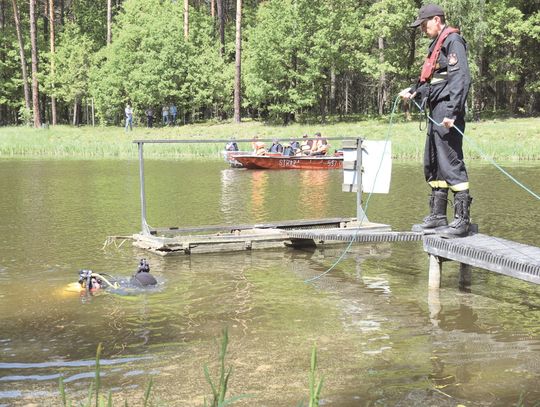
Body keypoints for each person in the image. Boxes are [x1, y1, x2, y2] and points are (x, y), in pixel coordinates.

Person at [400, 4, 472, 237]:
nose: (422, 28)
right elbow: (432, 81)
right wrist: (413, 91)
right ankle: (438, 217)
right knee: (433, 162)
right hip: (436, 111)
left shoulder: (453, 42)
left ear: (437, 20)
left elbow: (461, 79)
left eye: (424, 23)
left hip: (447, 112)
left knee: (450, 162)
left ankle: (462, 221)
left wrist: (452, 113)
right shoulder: (436, 45)